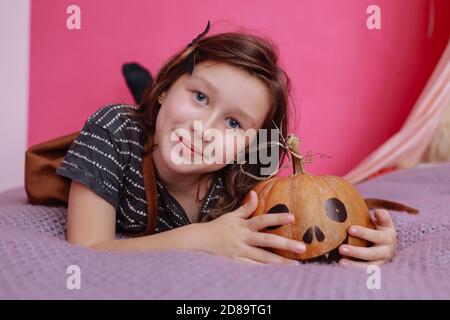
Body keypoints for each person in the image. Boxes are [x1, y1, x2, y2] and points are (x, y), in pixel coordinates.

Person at [57, 21, 396, 267]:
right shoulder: (112, 130)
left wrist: (370, 239)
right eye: (200, 96)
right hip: (144, 126)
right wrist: (201, 239)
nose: (205, 129)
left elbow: (311, 215)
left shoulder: (251, 171)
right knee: (152, 117)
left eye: (234, 123)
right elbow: (86, 248)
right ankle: (147, 87)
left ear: (251, 144)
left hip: (182, 119)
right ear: (168, 87)